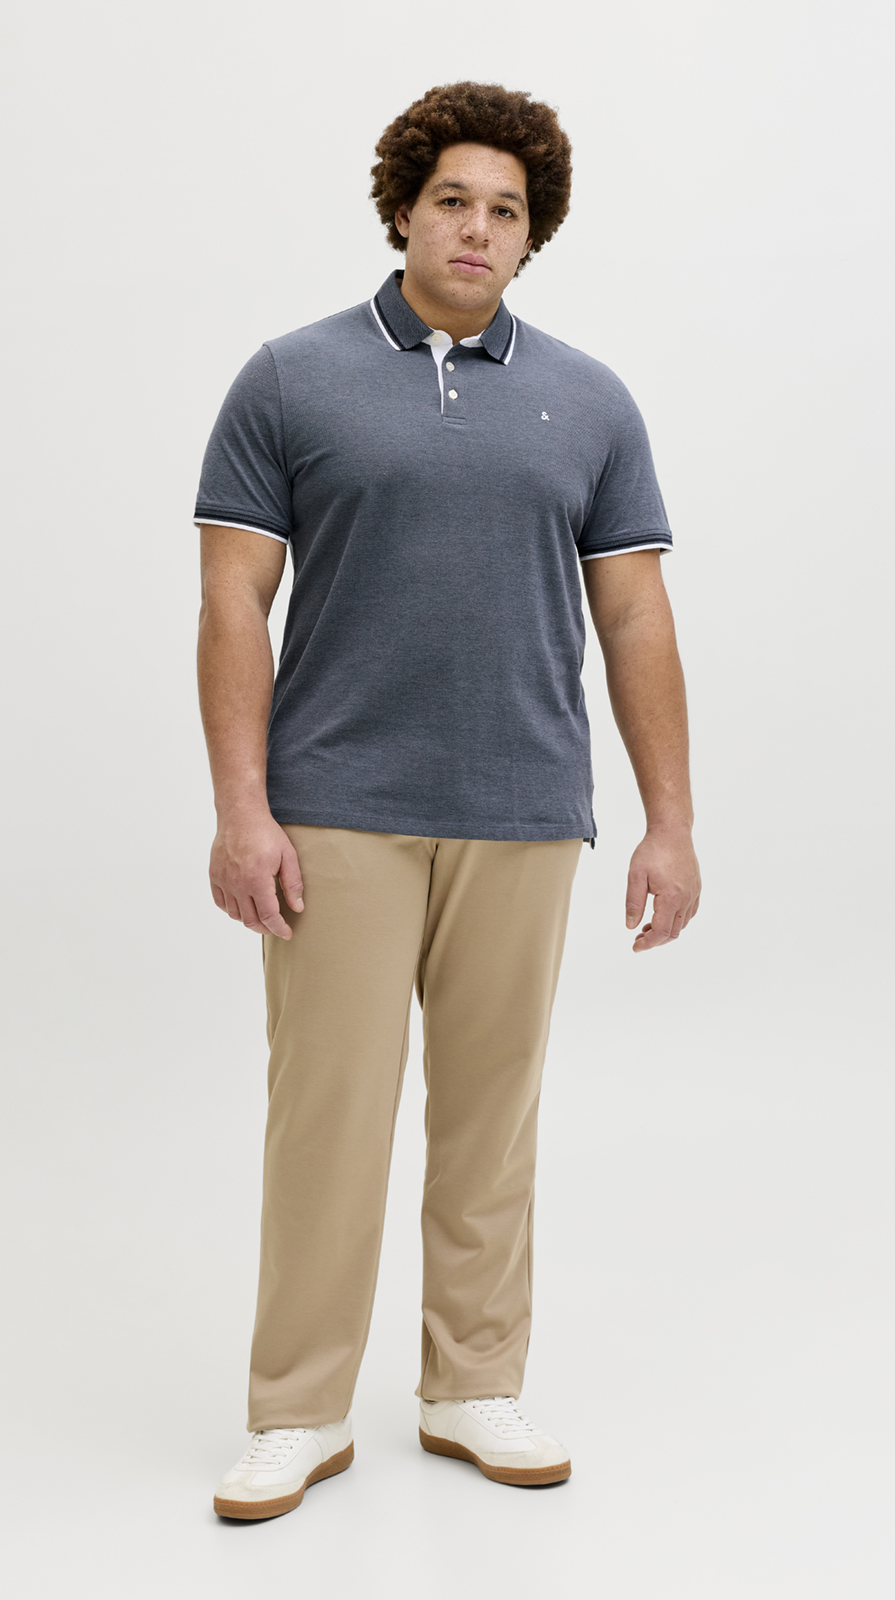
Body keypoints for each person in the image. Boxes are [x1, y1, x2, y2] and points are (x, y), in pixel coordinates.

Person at [195, 81, 700, 1520]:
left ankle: (472, 1385)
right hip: (336, 809)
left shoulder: (591, 400)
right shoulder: (290, 380)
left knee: (493, 1118)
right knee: (328, 1122)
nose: (477, 228)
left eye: (506, 211)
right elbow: (232, 600)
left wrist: (669, 820)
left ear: (533, 236)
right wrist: (242, 810)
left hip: (524, 806)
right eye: (453, 201)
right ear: (404, 210)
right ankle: (297, 1412)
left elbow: (636, 616)